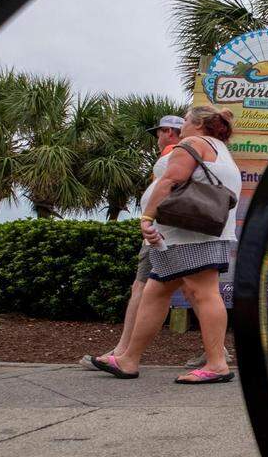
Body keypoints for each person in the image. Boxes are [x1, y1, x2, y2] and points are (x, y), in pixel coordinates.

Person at [91, 106, 242, 384]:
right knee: (155, 292)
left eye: (185, 119)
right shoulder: (220, 148)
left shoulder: (193, 142)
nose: (182, 124)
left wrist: (147, 216)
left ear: (197, 123)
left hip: (189, 233)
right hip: (182, 235)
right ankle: (128, 359)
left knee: (203, 292)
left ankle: (216, 364)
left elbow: (172, 179)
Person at [79, 115, 193, 370]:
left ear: (168, 132)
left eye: (159, 133)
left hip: (161, 232)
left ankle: (123, 352)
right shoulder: (183, 155)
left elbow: (168, 189)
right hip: (170, 232)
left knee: (143, 287)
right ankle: (215, 353)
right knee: (193, 289)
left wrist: (148, 219)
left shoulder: (173, 156)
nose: (157, 138)